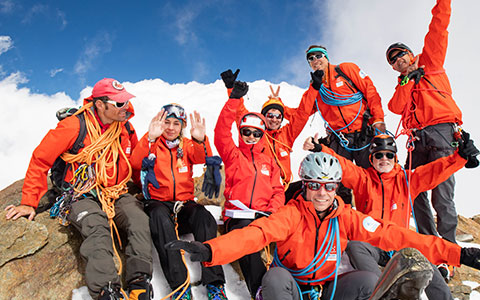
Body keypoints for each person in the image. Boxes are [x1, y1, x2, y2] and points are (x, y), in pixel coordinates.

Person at [165, 152, 480, 300]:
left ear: (337, 188)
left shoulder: (346, 217)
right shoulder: (292, 214)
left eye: (329, 186)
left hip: (327, 289)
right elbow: (257, 234)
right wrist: (210, 249)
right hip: (292, 287)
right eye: (314, 184)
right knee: (273, 278)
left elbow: (395, 234)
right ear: (304, 185)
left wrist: (458, 255)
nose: (322, 192)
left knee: (370, 280)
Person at [4, 78, 153, 300]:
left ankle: (140, 282)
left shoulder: (125, 127)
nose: (126, 107)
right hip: (80, 193)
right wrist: (28, 202)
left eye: (125, 101)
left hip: (115, 191)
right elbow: (40, 159)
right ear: (100, 104)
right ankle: (106, 291)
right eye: (119, 103)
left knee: (139, 220)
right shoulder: (74, 125)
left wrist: (145, 190)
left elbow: (129, 162)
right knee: (95, 226)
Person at [304, 133, 478, 298]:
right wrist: (321, 150)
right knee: (355, 245)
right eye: (379, 156)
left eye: (389, 155)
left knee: (424, 259)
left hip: (399, 244)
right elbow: (344, 166)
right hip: (371, 245)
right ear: (371, 159)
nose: (384, 159)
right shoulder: (363, 178)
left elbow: (434, 171)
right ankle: (380, 292)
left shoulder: (408, 180)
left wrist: (460, 158)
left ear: (395, 158)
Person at [385, 0, 479, 253]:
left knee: (442, 192)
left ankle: (448, 246)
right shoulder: (402, 84)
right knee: (410, 189)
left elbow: (438, 28)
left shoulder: (432, 65)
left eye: (400, 54)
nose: (397, 60)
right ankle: (428, 241)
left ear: (410, 54)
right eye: (393, 61)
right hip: (417, 139)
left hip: (441, 133)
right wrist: (406, 81)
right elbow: (395, 106)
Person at [130, 103, 228, 300]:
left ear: (182, 126)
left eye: (176, 123)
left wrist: (200, 140)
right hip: (157, 203)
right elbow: (135, 162)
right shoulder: (153, 145)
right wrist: (149, 137)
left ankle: (215, 284)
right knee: (160, 218)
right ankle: (180, 287)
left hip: (183, 203)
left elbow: (203, 158)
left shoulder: (186, 145)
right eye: (167, 122)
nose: (171, 128)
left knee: (204, 218)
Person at [213, 80, 285, 298]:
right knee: (247, 238)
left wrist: (272, 210)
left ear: (263, 135)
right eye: (246, 132)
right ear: (241, 133)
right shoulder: (233, 155)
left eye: (256, 133)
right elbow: (221, 131)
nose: (251, 137)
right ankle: (261, 291)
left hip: (264, 215)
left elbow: (278, 190)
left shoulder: (269, 161)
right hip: (238, 216)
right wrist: (234, 99)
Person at [303, 44, 386, 205]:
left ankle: (373, 222)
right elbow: (302, 111)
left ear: (326, 57)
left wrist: (379, 120)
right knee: (338, 182)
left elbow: (371, 92)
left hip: (363, 134)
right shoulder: (316, 87)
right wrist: (276, 106)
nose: (315, 60)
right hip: (338, 139)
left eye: (318, 55)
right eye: (311, 59)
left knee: (370, 178)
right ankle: (343, 222)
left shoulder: (346, 70)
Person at [220, 69, 319, 194]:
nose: (274, 119)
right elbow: (239, 113)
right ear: (263, 117)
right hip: (261, 188)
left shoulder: (287, 134)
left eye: (278, 116)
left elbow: (302, 114)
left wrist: (314, 88)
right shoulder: (255, 134)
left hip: (284, 188)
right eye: (270, 115)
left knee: (312, 187)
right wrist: (232, 90)